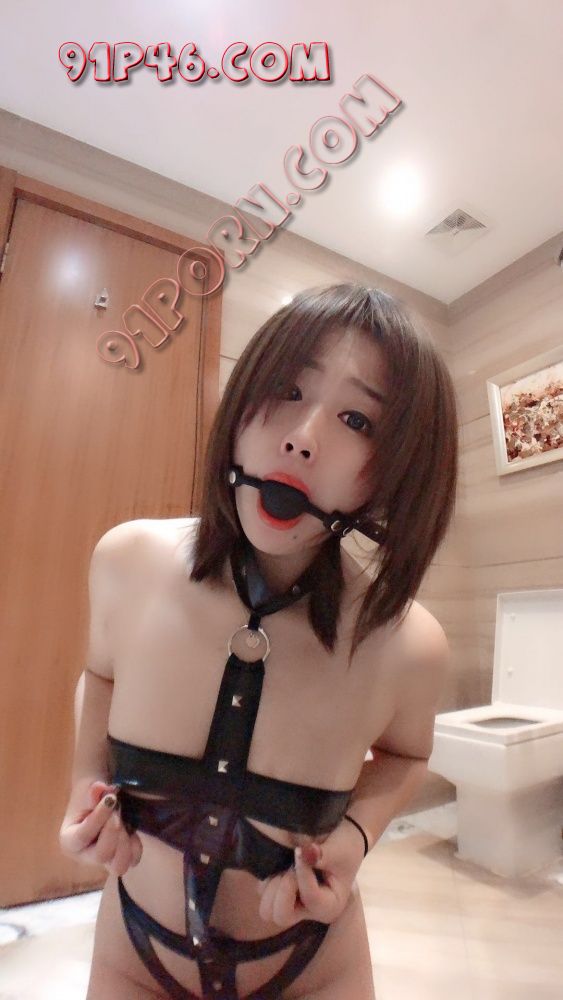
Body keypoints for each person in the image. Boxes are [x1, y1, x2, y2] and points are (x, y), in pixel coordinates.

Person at [59, 283, 458, 999]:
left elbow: (408, 755)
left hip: (313, 967)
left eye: (357, 419)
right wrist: (82, 790)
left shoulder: (407, 643)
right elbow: (100, 676)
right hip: (134, 955)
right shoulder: (127, 561)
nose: (302, 437)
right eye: (286, 388)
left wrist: (355, 838)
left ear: (400, 468)